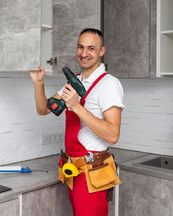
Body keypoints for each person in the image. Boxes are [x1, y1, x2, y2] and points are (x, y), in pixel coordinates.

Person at [29, 28, 124, 216]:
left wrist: (77, 106)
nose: (84, 53)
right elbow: (43, 109)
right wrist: (39, 83)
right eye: (80, 47)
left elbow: (113, 135)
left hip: (92, 173)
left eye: (91, 48)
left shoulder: (109, 84)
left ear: (102, 51)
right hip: (73, 171)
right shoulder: (74, 82)